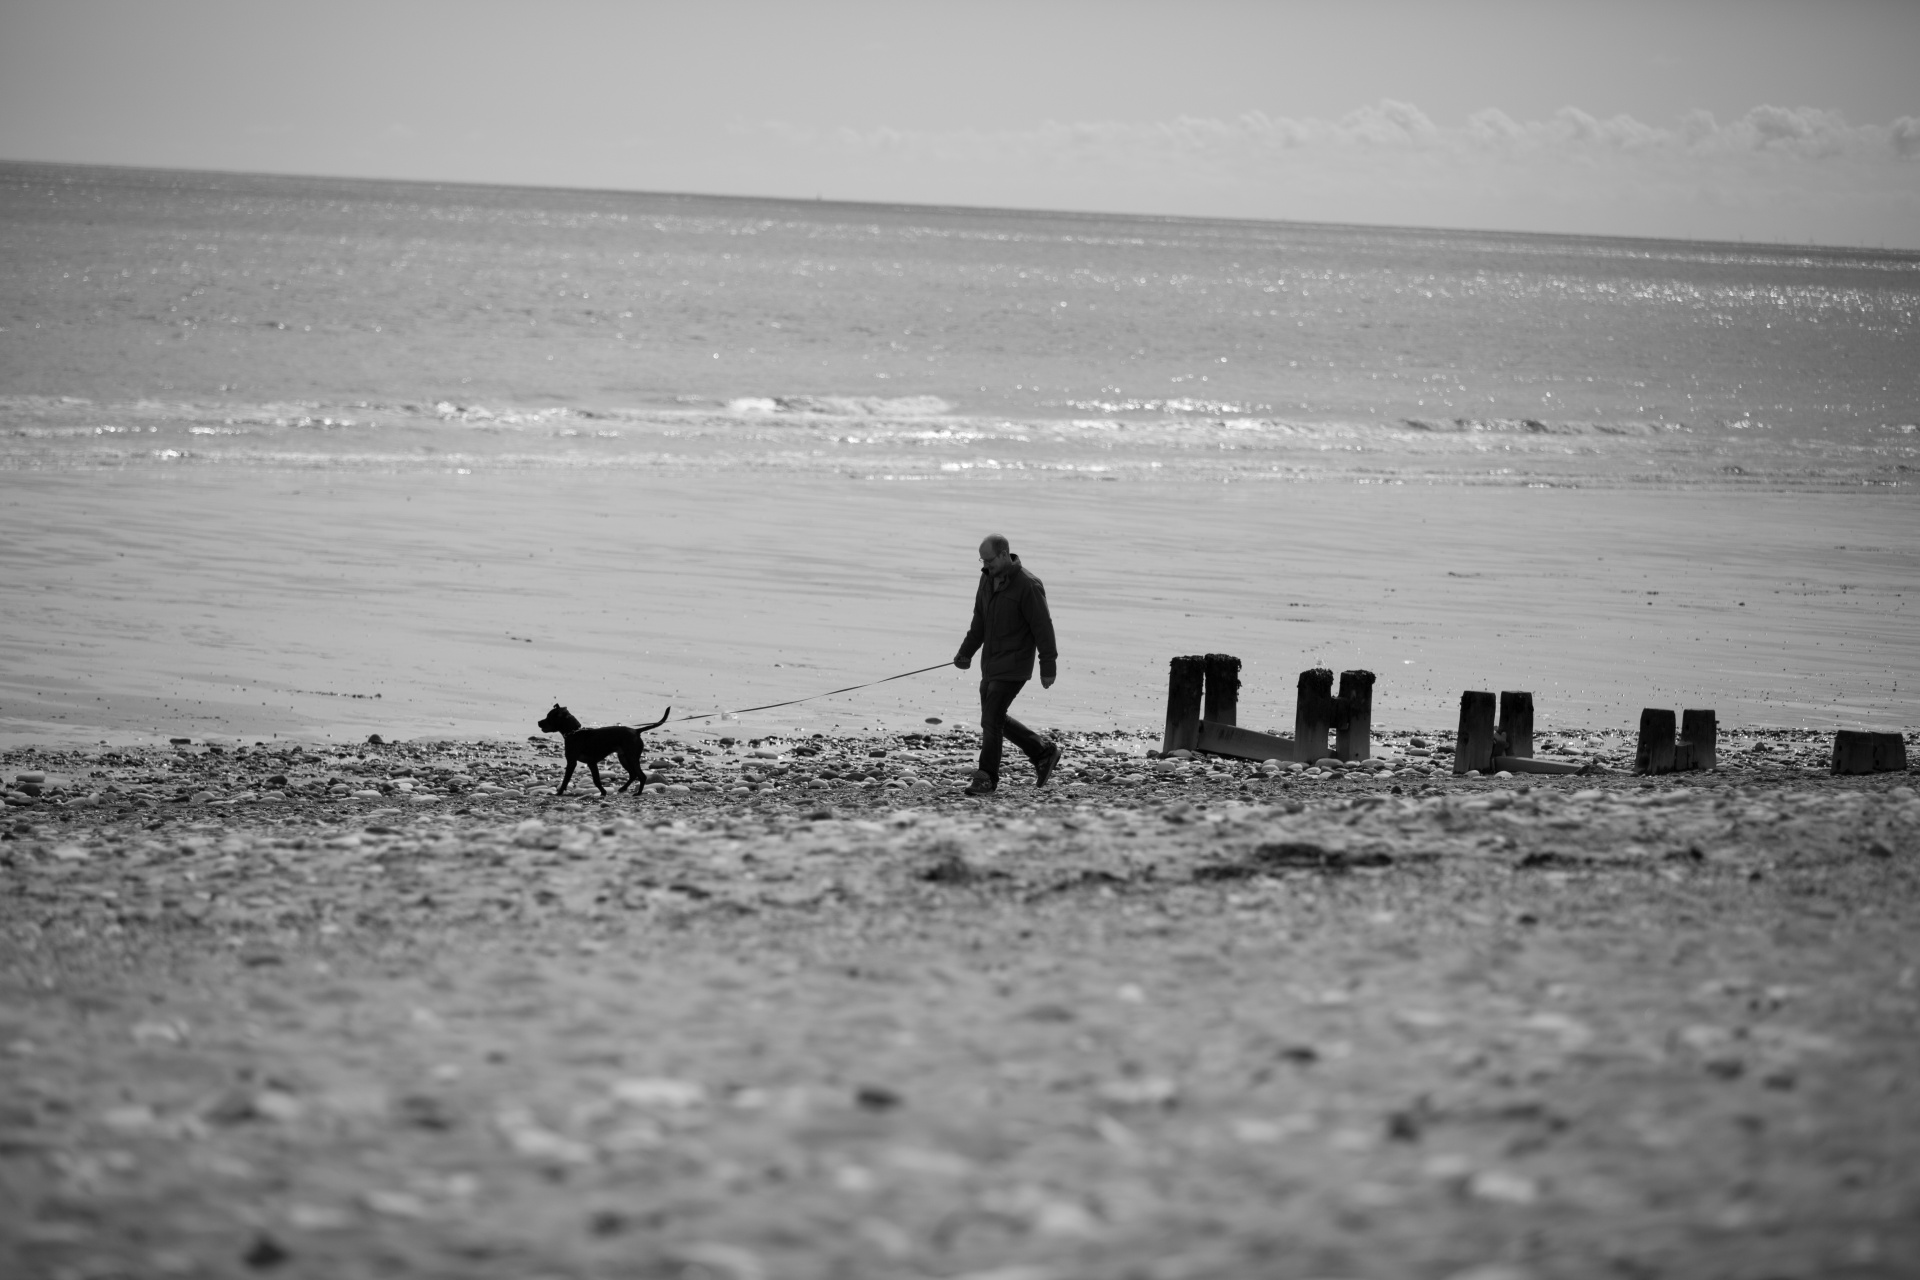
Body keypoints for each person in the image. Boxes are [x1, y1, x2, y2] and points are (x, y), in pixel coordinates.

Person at [953, 534, 1062, 795]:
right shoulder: (986, 579)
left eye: (989, 559)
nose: (985, 564)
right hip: (990, 663)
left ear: (1004, 555)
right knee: (994, 718)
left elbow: (1043, 628)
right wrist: (965, 653)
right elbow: (979, 620)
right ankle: (1043, 752)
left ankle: (986, 778)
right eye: (982, 560)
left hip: (1014, 665)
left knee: (991, 721)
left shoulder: (1028, 585)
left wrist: (1048, 666)